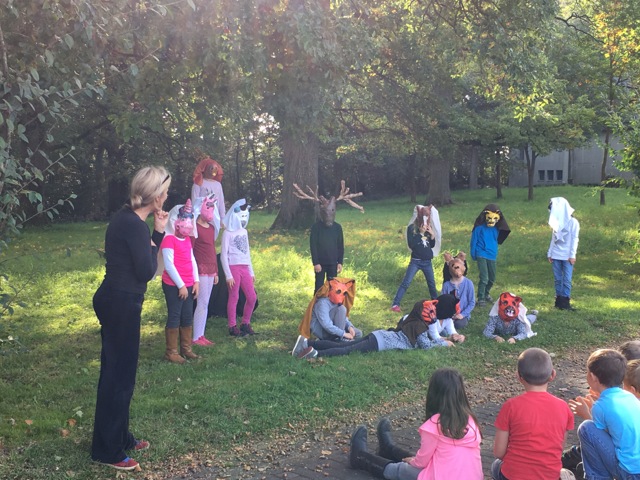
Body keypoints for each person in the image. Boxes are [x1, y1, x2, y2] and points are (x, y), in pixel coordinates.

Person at [91, 166, 170, 471]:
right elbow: (147, 271)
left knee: (119, 372)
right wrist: (157, 238)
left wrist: (154, 237)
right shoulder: (134, 226)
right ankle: (108, 450)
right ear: (155, 196)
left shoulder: (127, 218)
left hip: (116, 300)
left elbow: (141, 260)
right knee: (118, 377)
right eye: (164, 191)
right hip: (121, 303)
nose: (166, 195)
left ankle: (120, 436)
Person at [349, 368, 483, 479]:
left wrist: (413, 462)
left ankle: (360, 457)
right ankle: (388, 448)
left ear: (434, 394)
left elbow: (422, 461)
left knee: (402, 469)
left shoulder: (435, 425)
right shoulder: (471, 421)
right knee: (422, 458)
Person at [491, 348, 574, 480]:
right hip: (549, 475)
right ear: (552, 375)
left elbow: (499, 452)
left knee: (496, 466)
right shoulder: (564, 408)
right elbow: (559, 449)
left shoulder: (511, 406)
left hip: (514, 474)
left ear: (518, 376)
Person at [563, 341, 640, 476]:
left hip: (628, 471)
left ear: (592, 377)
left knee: (586, 428)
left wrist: (590, 412)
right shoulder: (630, 397)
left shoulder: (601, 406)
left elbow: (602, 438)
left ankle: (595, 476)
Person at [292, 298, 455, 359]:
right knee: (345, 350)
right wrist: (444, 344)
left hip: (378, 336)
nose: (433, 314)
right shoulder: (420, 327)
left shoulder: (411, 319)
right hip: (379, 343)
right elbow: (426, 346)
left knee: (344, 345)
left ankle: (307, 343)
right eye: (430, 311)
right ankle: (314, 354)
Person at [160, 199, 200, 364]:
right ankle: (171, 352)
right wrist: (181, 285)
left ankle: (186, 348)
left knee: (187, 315)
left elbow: (192, 260)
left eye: (190, 220)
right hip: (173, 285)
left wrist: (196, 281)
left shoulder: (188, 241)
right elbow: (169, 266)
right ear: (175, 222)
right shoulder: (168, 240)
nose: (188, 224)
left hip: (189, 284)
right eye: (184, 220)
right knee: (175, 315)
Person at [391, 205, 442, 313]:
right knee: (406, 282)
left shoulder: (428, 227)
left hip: (427, 262)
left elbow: (431, 245)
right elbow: (412, 244)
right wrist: (421, 233)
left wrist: (432, 235)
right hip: (416, 261)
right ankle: (395, 303)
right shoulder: (412, 229)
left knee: (431, 283)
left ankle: (436, 303)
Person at [220, 198, 257, 337]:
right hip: (233, 268)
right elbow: (223, 255)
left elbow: (247, 252)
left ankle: (245, 323)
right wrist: (228, 275)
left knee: (252, 297)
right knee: (234, 296)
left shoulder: (244, 232)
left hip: (245, 267)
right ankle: (232, 326)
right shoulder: (227, 233)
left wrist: (251, 271)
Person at [191, 194, 221, 346]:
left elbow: (212, 248)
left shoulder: (210, 228)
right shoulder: (194, 228)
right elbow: (190, 250)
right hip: (200, 269)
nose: (210, 210)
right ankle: (196, 337)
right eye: (207, 206)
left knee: (206, 302)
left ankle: (201, 334)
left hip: (210, 269)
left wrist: (215, 271)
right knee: (201, 302)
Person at [298, 278, 362, 342]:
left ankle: (341, 338)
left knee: (358, 333)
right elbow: (327, 325)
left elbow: (343, 318)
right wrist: (344, 334)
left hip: (335, 328)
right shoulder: (322, 303)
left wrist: (349, 327)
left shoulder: (337, 302)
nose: (341, 295)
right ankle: (340, 339)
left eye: (344, 293)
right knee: (342, 309)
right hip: (324, 332)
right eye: (338, 291)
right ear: (331, 290)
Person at [470, 204, 510, 306]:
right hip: (481, 254)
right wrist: (474, 253)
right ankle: (481, 297)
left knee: (492, 278)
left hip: (492, 255)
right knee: (484, 278)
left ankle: (486, 293)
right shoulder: (479, 228)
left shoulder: (496, 229)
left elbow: (497, 239)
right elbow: (473, 241)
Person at [547, 197, 580, 311]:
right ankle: (558, 301)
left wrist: (572, 255)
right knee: (557, 278)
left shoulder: (573, 222)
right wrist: (550, 253)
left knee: (567, 279)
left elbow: (575, 239)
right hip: (556, 254)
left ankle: (565, 301)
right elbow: (553, 239)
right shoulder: (556, 223)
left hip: (567, 256)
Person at [440, 257, 475, 329]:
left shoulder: (468, 283)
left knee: (459, 324)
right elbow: (442, 302)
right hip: (449, 314)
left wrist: (462, 314)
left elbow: (472, 302)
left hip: (462, 314)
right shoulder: (446, 285)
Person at [191, 155, 225, 221]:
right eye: (211, 168)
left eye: (215, 169)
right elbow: (195, 200)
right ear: (205, 169)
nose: (213, 171)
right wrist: (196, 215)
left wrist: (222, 217)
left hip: (215, 216)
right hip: (201, 216)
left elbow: (221, 202)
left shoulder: (218, 185)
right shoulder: (198, 183)